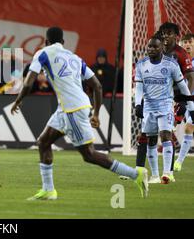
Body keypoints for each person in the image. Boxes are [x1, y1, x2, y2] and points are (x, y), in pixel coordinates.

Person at [10, 27, 148, 200]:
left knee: (89, 154)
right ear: (63, 42)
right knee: (43, 142)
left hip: (72, 109)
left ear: (46, 41)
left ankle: (135, 174)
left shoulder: (42, 53)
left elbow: (29, 81)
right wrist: (96, 113)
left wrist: (18, 100)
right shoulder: (75, 58)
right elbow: (97, 85)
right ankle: (48, 190)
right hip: (69, 108)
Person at [134, 23, 194, 181]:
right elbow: (139, 85)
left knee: (167, 134)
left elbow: (189, 79)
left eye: (169, 33)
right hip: (151, 103)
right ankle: (153, 173)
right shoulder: (146, 61)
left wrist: (184, 102)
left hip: (171, 100)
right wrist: (138, 104)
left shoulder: (179, 55)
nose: (166, 36)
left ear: (176, 36)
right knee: (150, 136)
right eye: (164, 33)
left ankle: (168, 172)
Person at [174, 33, 194, 171]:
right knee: (187, 128)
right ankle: (178, 162)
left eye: (190, 42)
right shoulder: (178, 61)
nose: (187, 44)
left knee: (188, 128)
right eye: (185, 42)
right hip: (184, 100)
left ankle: (179, 162)